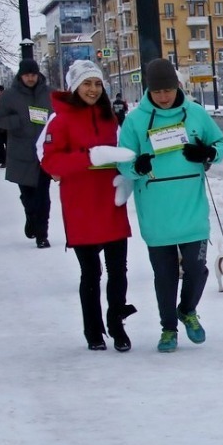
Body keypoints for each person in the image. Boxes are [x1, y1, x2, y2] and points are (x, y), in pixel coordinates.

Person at [115, 58, 223, 353]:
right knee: (164, 275)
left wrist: (208, 152)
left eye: (168, 89)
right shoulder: (135, 121)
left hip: (192, 209)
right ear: (148, 90)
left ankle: (187, 309)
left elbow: (220, 146)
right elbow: (123, 164)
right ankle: (168, 329)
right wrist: (136, 165)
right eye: (157, 91)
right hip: (156, 211)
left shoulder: (197, 114)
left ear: (178, 86)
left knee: (197, 268)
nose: (163, 97)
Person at [37, 61, 138, 351]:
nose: (93, 90)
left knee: (119, 271)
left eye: (97, 84)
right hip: (81, 205)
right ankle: (93, 330)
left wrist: (125, 176)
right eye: (86, 84)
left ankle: (117, 325)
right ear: (74, 87)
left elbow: (123, 153)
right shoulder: (60, 120)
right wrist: (89, 156)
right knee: (91, 272)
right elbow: (51, 162)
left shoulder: (110, 118)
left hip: (110, 201)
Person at [0, 60, 54, 247]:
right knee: (28, 196)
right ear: (21, 75)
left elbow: (59, 116)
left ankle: (42, 235)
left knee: (43, 197)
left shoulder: (49, 93)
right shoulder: (10, 95)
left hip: (44, 154)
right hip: (20, 153)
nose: (30, 78)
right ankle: (31, 218)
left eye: (33, 74)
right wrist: (18, 120)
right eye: (27, 74)